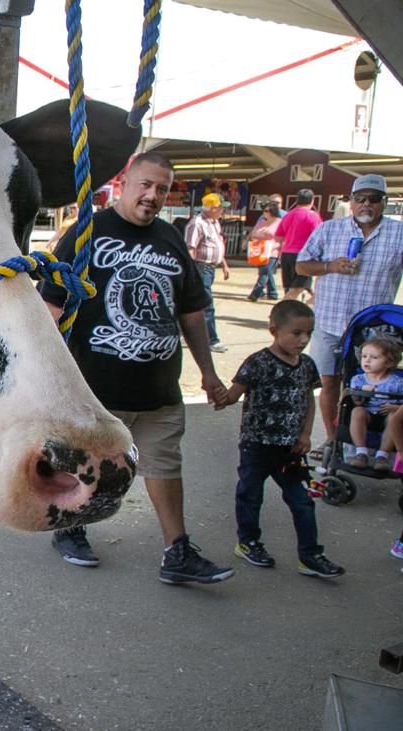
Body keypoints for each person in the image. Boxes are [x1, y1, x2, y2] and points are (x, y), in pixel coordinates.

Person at [39, 151, 234, 585]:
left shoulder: (170, 238)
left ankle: (177, 550)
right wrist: (47, 372)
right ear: (126, 182)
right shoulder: (88, 233)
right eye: (145, 185)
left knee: (165, 465)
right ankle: (71, 528)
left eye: (162, 189)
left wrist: (208, 372)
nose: (153, 195)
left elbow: (192, 312)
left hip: (158, 389)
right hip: (97, 387)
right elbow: (51, 302)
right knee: (86, 464)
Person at [216, 299, 345, 579]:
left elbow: (309, 400)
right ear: (274, 330)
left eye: (308, 334)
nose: (303, 340)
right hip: (257, 447)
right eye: (296, 333)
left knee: (302, 501)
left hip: (291, 450)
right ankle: (248, 542)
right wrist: (218, 394)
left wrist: (306, 433)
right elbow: (233, 394)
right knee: (250, 496)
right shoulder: (258, 362)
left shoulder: (307, 366)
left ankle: (310, 555)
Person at [295, 174, 403, 456]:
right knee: (329, 382)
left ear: (384, 203)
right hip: (329, 323)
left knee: (373, 385)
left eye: (374, 199)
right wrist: (330, 266)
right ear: (351, 201)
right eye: (360, 198)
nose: (366, 204)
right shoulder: (329, 230)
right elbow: (302, 266)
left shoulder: (398, 233)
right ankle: (334, 440)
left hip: (372, 331)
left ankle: (373, 445)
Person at [345, 335, 403, 471]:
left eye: (374, 358)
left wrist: (395, 407)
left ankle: (382, 455)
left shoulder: (398, 382)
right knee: (357, 412)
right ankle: (361, 453)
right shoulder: (358, 380)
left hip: (388, 415)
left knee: (394, 416)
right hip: (367, 414)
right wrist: (362, 394)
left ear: (389, 362)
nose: (367, 360)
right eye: (364, 356)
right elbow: (356, 402)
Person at [185, 193, 231, 352]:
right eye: (220, 208)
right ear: (212, 208)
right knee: (207, 305)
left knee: (197, 303)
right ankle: (212, 339)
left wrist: (224, 264)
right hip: (200, 267)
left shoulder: (215, 222)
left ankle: (184, 332)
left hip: (210, 268)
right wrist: (190, 272)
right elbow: (190, 249)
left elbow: (217, 244)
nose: (222, 211)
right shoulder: (197, 224)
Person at [274, 189, 322, 302]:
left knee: (291, 288)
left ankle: (292, 314)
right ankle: (280, 313)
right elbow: (320, 236)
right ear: (312, 200)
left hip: (286, 254)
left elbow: (278, 237)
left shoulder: (287, 215)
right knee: (296, 290)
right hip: (304, 256)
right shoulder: (312, 216)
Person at [246, 194, 284, 302]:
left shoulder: (280, 223)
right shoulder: (261, 222)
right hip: (260, 251)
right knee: (266, 273)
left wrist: (281, 253)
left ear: (273, 212)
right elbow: (254, 233)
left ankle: (255, 293)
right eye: (264, 211)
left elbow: (283, 238)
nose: (264, 213)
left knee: (265, 273)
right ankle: (273, 293)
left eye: (267, 211)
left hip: (273, 252)